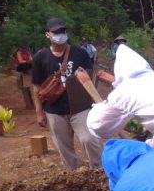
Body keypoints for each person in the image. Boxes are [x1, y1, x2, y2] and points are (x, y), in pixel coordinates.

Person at [31, 18, 101, 170]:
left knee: (89, 140)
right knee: (64, 148)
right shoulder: (40, 57)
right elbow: (36, 87)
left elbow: (89, 80)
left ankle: (99, 172)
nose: (60, 35)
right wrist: (39, 113)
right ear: (47, 35)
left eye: (62, 31)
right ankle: (73, 175)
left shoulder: (80, 54)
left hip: (80, 108)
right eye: (56, 32)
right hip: (54, 111)